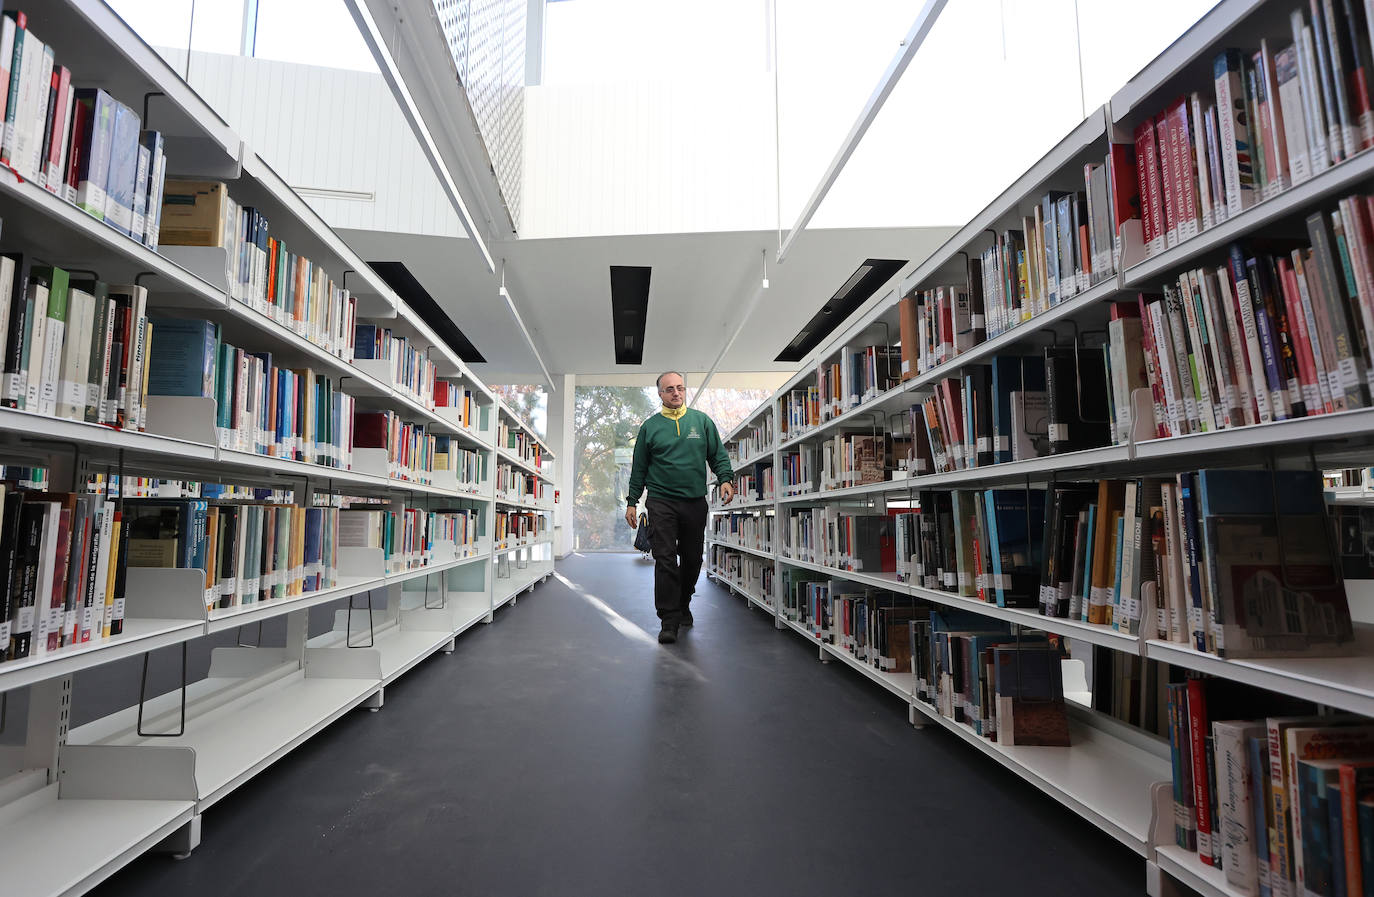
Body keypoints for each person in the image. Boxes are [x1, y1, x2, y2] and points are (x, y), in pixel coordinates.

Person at [624, 371, 735, 644]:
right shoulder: (650, 427)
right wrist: (631, 502)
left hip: (695, 501)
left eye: (680, 388)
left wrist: (726, 479)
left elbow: (717, 455)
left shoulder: (702, 422)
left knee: (693, 558)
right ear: (660, 394)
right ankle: (668, 620)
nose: (676, 393)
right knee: (665, 559)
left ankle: (683, 602)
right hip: (661, 501)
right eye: (670, 389)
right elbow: (639, 469)